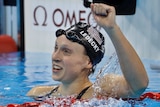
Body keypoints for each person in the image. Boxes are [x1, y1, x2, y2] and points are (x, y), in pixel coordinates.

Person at [27, 3, 149, 100]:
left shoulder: (101, 91)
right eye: (56, 48)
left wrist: (112, 29)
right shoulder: (38, 93)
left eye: (66, 51)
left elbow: (138, 86)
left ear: (88, 62)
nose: (55, 57)